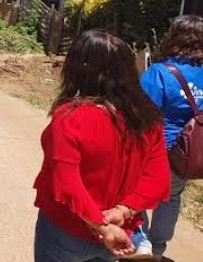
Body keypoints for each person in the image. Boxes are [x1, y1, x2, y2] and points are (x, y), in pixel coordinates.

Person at [32, 30, 170, 262]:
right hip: (119, 232)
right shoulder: (148, 118)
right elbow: (157, 178)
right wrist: (123, 211)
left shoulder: (70, 118)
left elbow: (67, 184)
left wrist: (102, 227)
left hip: (70, 231)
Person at [130, 15, 203, 260]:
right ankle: (158, 249)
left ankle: (140, 242)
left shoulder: (160, 73)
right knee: (170, 198)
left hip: (156, 149)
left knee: (135, 193)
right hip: (187, 155)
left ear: (173, 38)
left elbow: (142, 113)